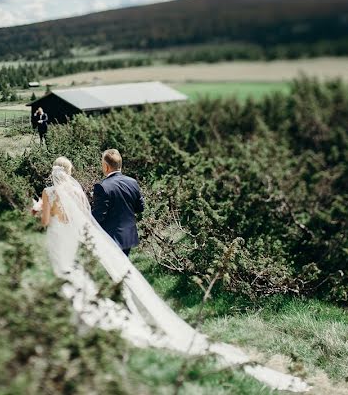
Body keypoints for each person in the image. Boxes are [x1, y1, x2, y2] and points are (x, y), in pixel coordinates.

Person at [33, 157, 309, 393]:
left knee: (67, 273)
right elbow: (90, 215)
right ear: (69, 171)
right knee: (93, 274)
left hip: (62, 237)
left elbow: (48, 220)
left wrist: (38, 210)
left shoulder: (52, 191)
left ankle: (80, 312)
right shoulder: (83, 188)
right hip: (103, 237)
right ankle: (99, 307)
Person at [91, 149, 144, 256]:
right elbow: (140, 208)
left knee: (113, 271)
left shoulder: (102, 187)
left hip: (110, 237)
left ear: (106, 166)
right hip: (128, 236)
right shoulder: (133, 182)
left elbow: (99, 216)